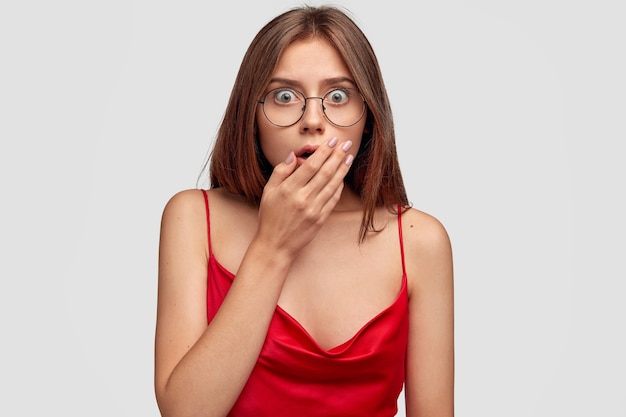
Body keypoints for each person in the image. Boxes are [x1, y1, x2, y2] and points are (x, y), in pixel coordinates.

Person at [154, 5, 454, 417]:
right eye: (284, 96)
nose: (313, 121)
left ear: (367, 116)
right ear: (251, 114)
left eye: (337, 96)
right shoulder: (192, 218)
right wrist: (272, 246)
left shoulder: (419, 240)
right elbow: (185, 411)